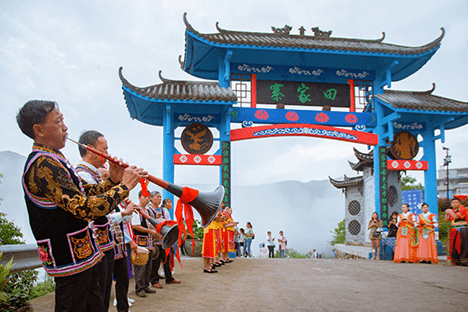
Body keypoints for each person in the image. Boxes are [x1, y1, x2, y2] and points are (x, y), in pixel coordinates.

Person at [16, 100, 146, 312]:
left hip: (83, 255)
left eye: (63, 120)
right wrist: (124, 187)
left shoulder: (56, 159)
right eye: (58, 122)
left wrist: (112, 180)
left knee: (92, 305)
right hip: (69, 257)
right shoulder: (42, 164)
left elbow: (85, 192)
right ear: (39, 130)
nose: (65, 128)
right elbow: (84, 207)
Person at [75, 130, 118, 311]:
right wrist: (122, 184)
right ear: (91, 149)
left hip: (104, 244)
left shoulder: (93, 175)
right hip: (95, 246)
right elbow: (97, 206)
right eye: (105, 149)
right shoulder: (81, 175)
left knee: (104, 296)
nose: (108, 154)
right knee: (97, 299)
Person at [131, 190, 160, 297]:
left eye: (148, 197)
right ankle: (139, 288)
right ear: (139, 197)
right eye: (145, 197)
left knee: (148, 265)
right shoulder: (136, 210)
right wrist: (150, 231)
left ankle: (145, 285)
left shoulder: (146, 211)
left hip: (148, 241)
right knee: (141, 265)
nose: (147, 199)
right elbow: (135, 226)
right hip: (140, 240)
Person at [149, 193, 181, 288]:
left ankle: (169, 277)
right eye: (157, 197)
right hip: (154, 238)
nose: (159, 199)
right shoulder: (148, 210)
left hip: (164, 238)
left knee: (166, 259)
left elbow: (169, 222)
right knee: (155, 261)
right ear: (151, 198)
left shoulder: (163, 210)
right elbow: (146, 223)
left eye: (160, 197)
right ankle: (154, 280)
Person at [445, 197, 468, 266]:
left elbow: (456, 217)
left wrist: (450, 211)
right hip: (454, 230)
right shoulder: (453, 211)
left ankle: (464, 260)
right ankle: (456, 260)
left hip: (462, 229)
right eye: (453, 202)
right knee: (454, 245)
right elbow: (447, 220)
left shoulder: (463, 209)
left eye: (456, 202)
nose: (455, 204)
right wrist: (446, 213)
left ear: (460, 203)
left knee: (463, 245)